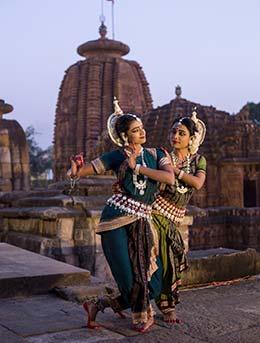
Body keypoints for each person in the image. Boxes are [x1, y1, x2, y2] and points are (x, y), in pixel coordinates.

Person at [67, 98, 174, 333]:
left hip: (143, 221)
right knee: (128, 278)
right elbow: (79, 173)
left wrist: (137, 168)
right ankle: (140, 316)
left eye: (142, 128)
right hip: (114, 221)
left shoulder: (158, 154)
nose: (142, 132)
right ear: (126, 136)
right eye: (136, 131)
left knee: (153, 283)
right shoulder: (116, 157)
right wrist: (74, 169)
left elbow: (169, 178)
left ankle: (99, 305)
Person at [152, 108, 207, 323]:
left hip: (174, 219)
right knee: (152, 261)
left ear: (191, 138)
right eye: (173, 132)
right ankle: (150, 305)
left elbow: (198, 183)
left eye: (181, 133)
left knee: (172, 263)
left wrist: (176, 171)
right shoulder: (162, 157)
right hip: (154, 214)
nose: (176, 136)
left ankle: (167, 306)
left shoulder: (199, 161)